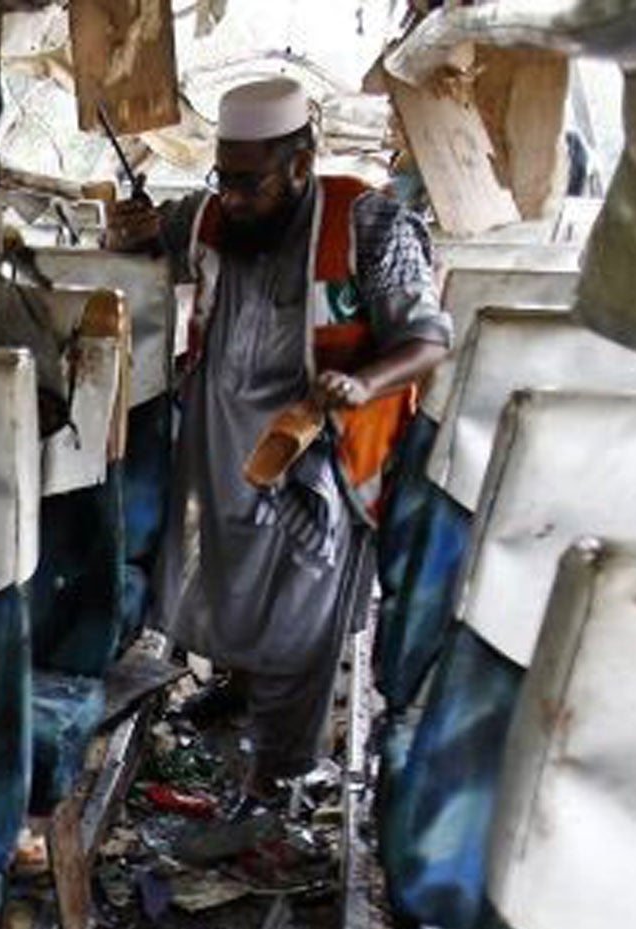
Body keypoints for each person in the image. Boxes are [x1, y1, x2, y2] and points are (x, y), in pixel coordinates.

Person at [108, 77, 451, 803]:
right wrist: (131, 234)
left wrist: (363, 383)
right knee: (227, 577)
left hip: (317, 446)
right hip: (218, 436)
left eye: (250, 181)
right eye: (223, 178)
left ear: (301, 163)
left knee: (304, 607)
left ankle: (283, 771)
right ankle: (238, 688)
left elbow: (427, 338)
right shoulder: (206, 215)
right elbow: (146, 254)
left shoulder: (368, 219)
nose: (233, 197)